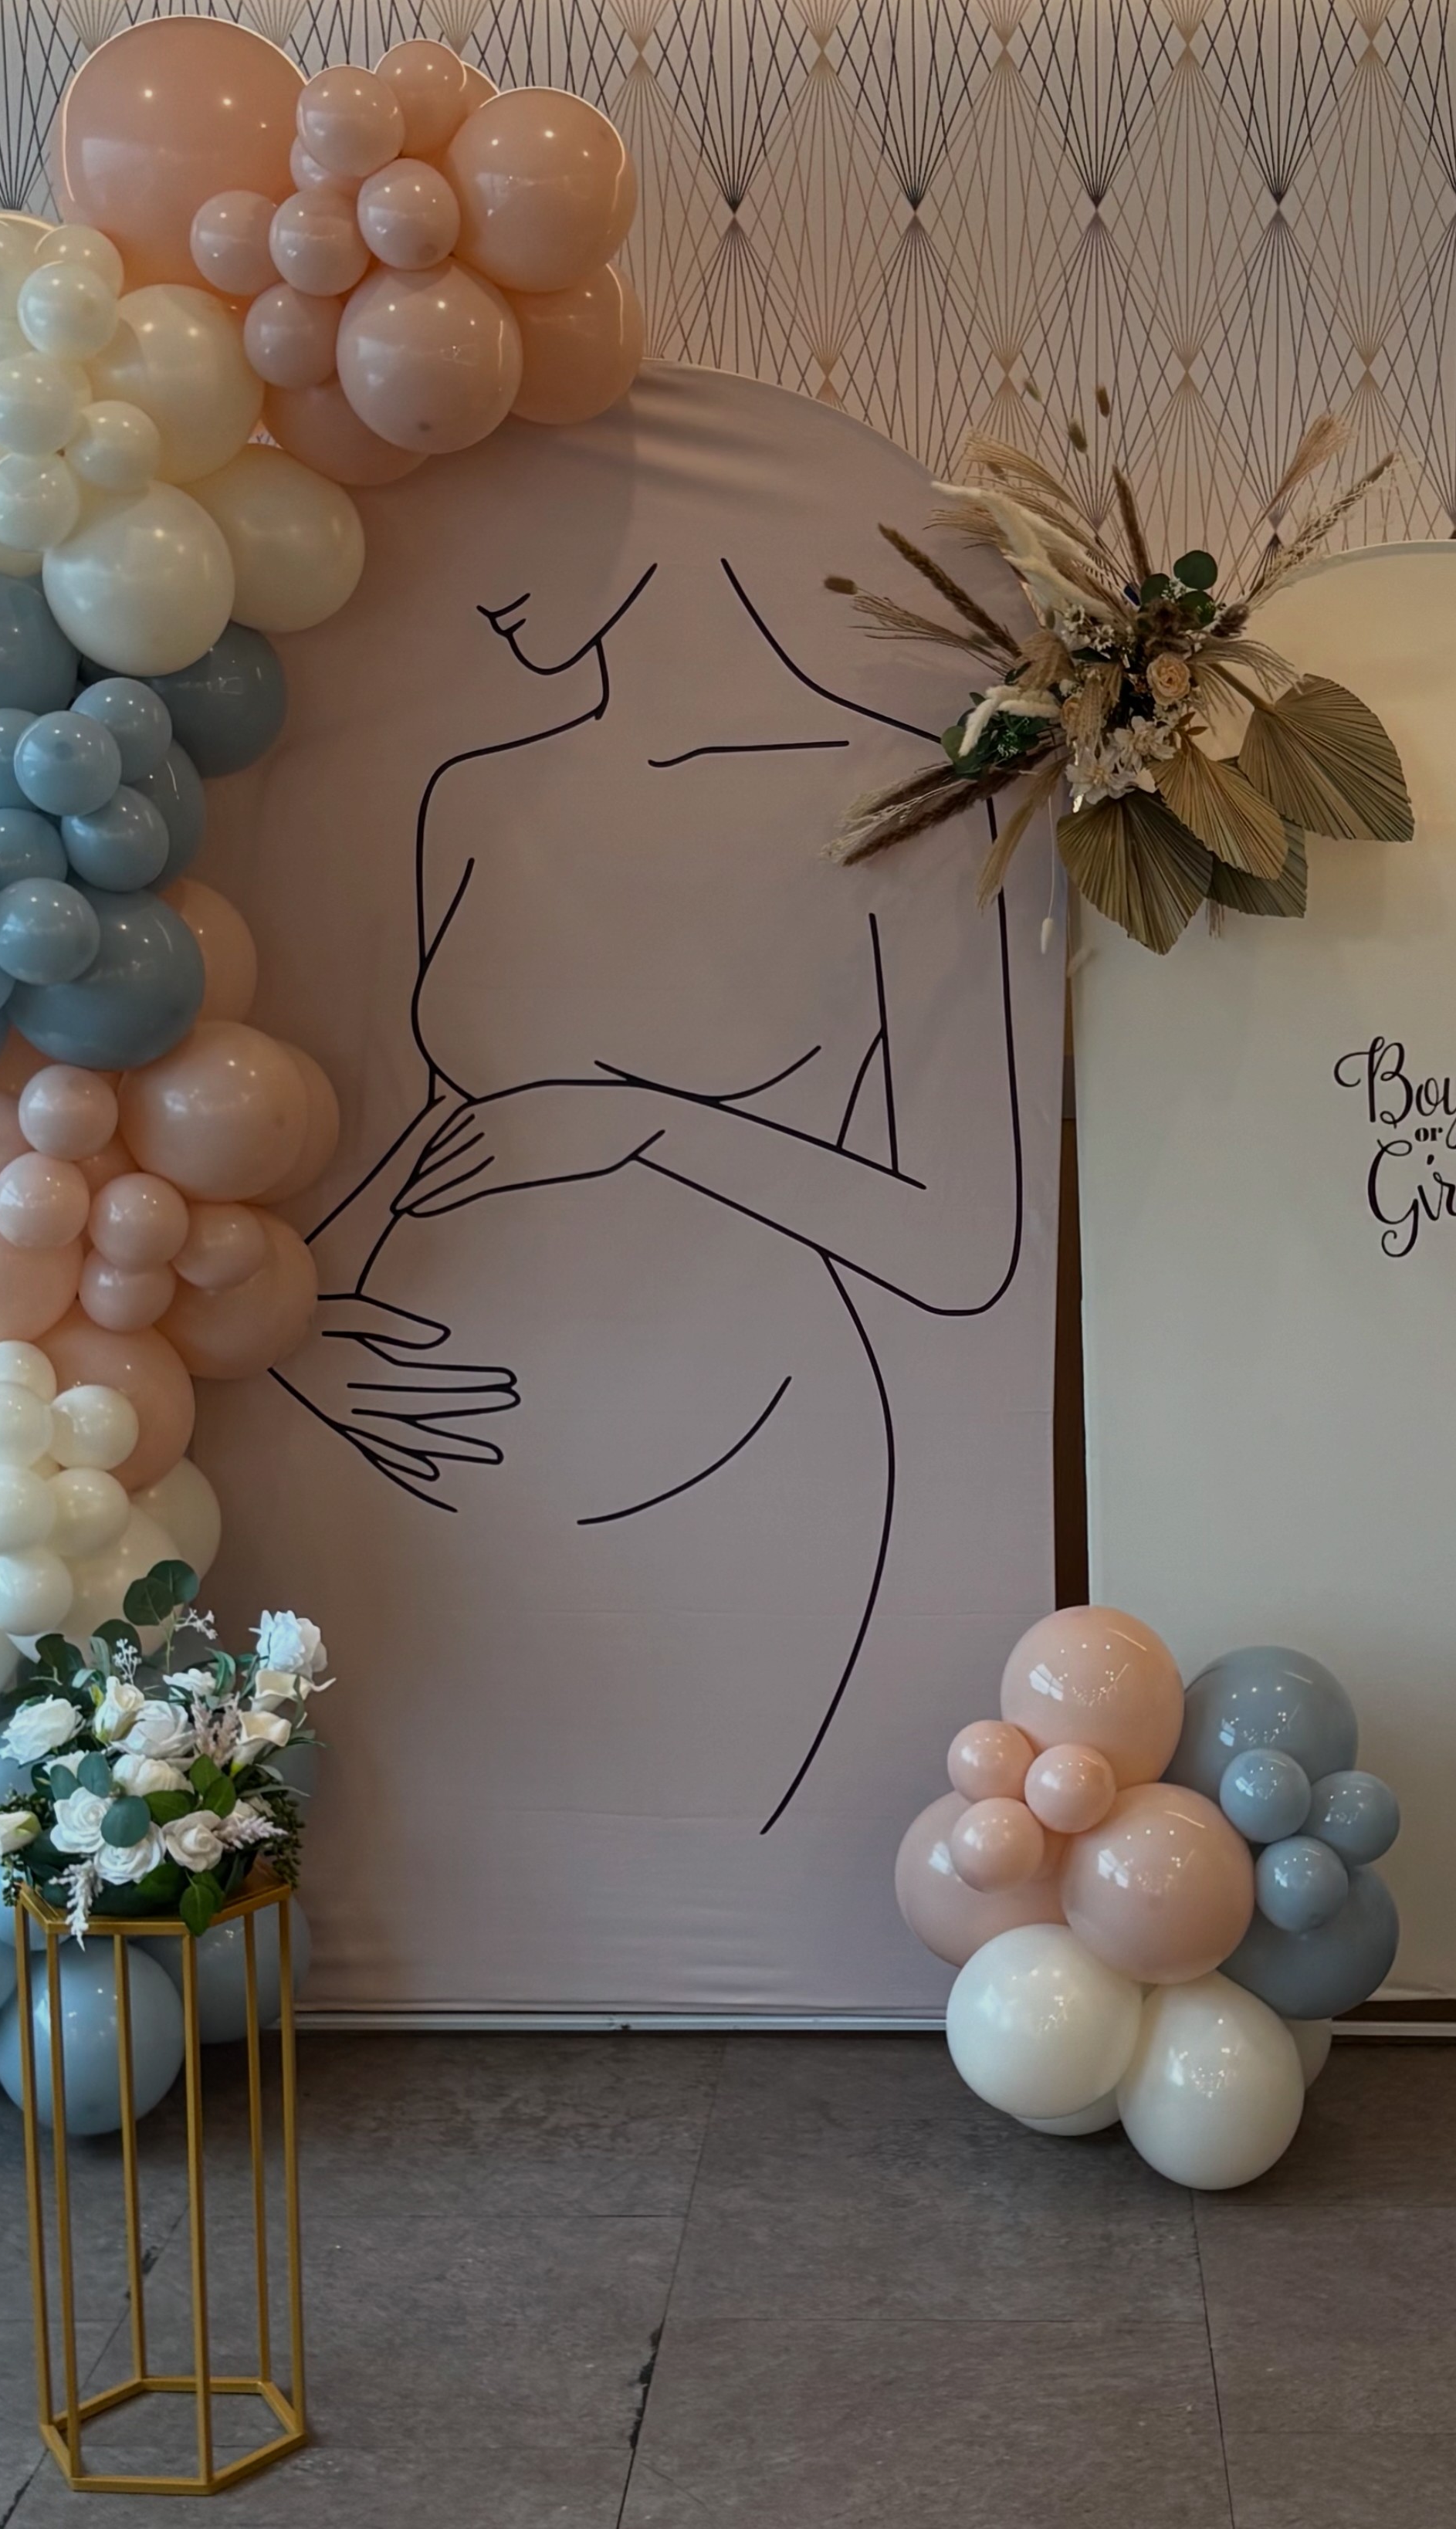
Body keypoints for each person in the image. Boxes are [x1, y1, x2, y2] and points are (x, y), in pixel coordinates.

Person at [267, 381, 1034, 1830]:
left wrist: (649, 1121)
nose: (472, 585)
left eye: (516, 528)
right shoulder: (475, 795)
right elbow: (451, 1119)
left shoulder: (901, 801)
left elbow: (962, 1242)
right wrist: (301, 1324)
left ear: (654, 523)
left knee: (721, 1867)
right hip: (435, 1466)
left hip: (737, 1460)